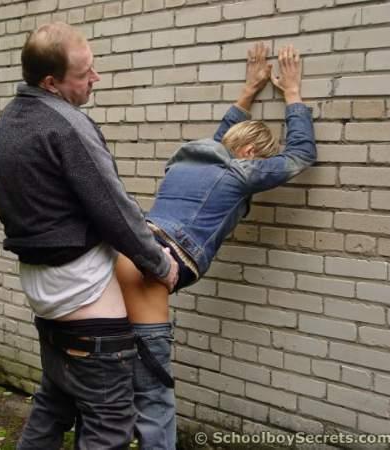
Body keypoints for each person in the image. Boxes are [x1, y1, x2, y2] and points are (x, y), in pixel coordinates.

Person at [116, 43, 317, 449]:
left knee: (109, 376)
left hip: (124, 251)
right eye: (258, 159)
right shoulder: (240, 172)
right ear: (249, 155)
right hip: (155, 264)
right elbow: (301, 155)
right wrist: (293, 94)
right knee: (154, 393)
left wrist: (248, 91)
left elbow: (219, 140)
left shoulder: (188, 160)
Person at [0, 22, 178, 450]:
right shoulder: (67, 125)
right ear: (50, 82)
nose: (96, 78)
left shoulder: (9, 120)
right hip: (84, 296)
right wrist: (159, 263)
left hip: (44, 291)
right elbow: (113, 208)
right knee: (110, 423)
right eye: (84, 73)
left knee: (53, 404)